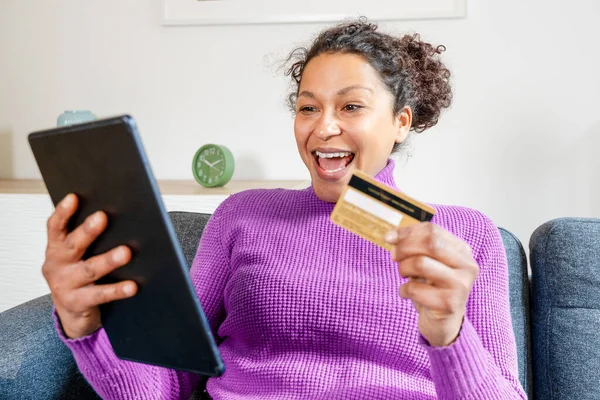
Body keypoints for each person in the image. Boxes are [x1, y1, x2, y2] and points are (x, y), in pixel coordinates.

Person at [42, 18, 527, 399]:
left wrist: (449, 334)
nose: (323, 128)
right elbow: (167, 387)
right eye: (308, 107)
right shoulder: (241, 216)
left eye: (351, 107)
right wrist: (83, 328)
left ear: (401, 122)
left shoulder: (465, 235)